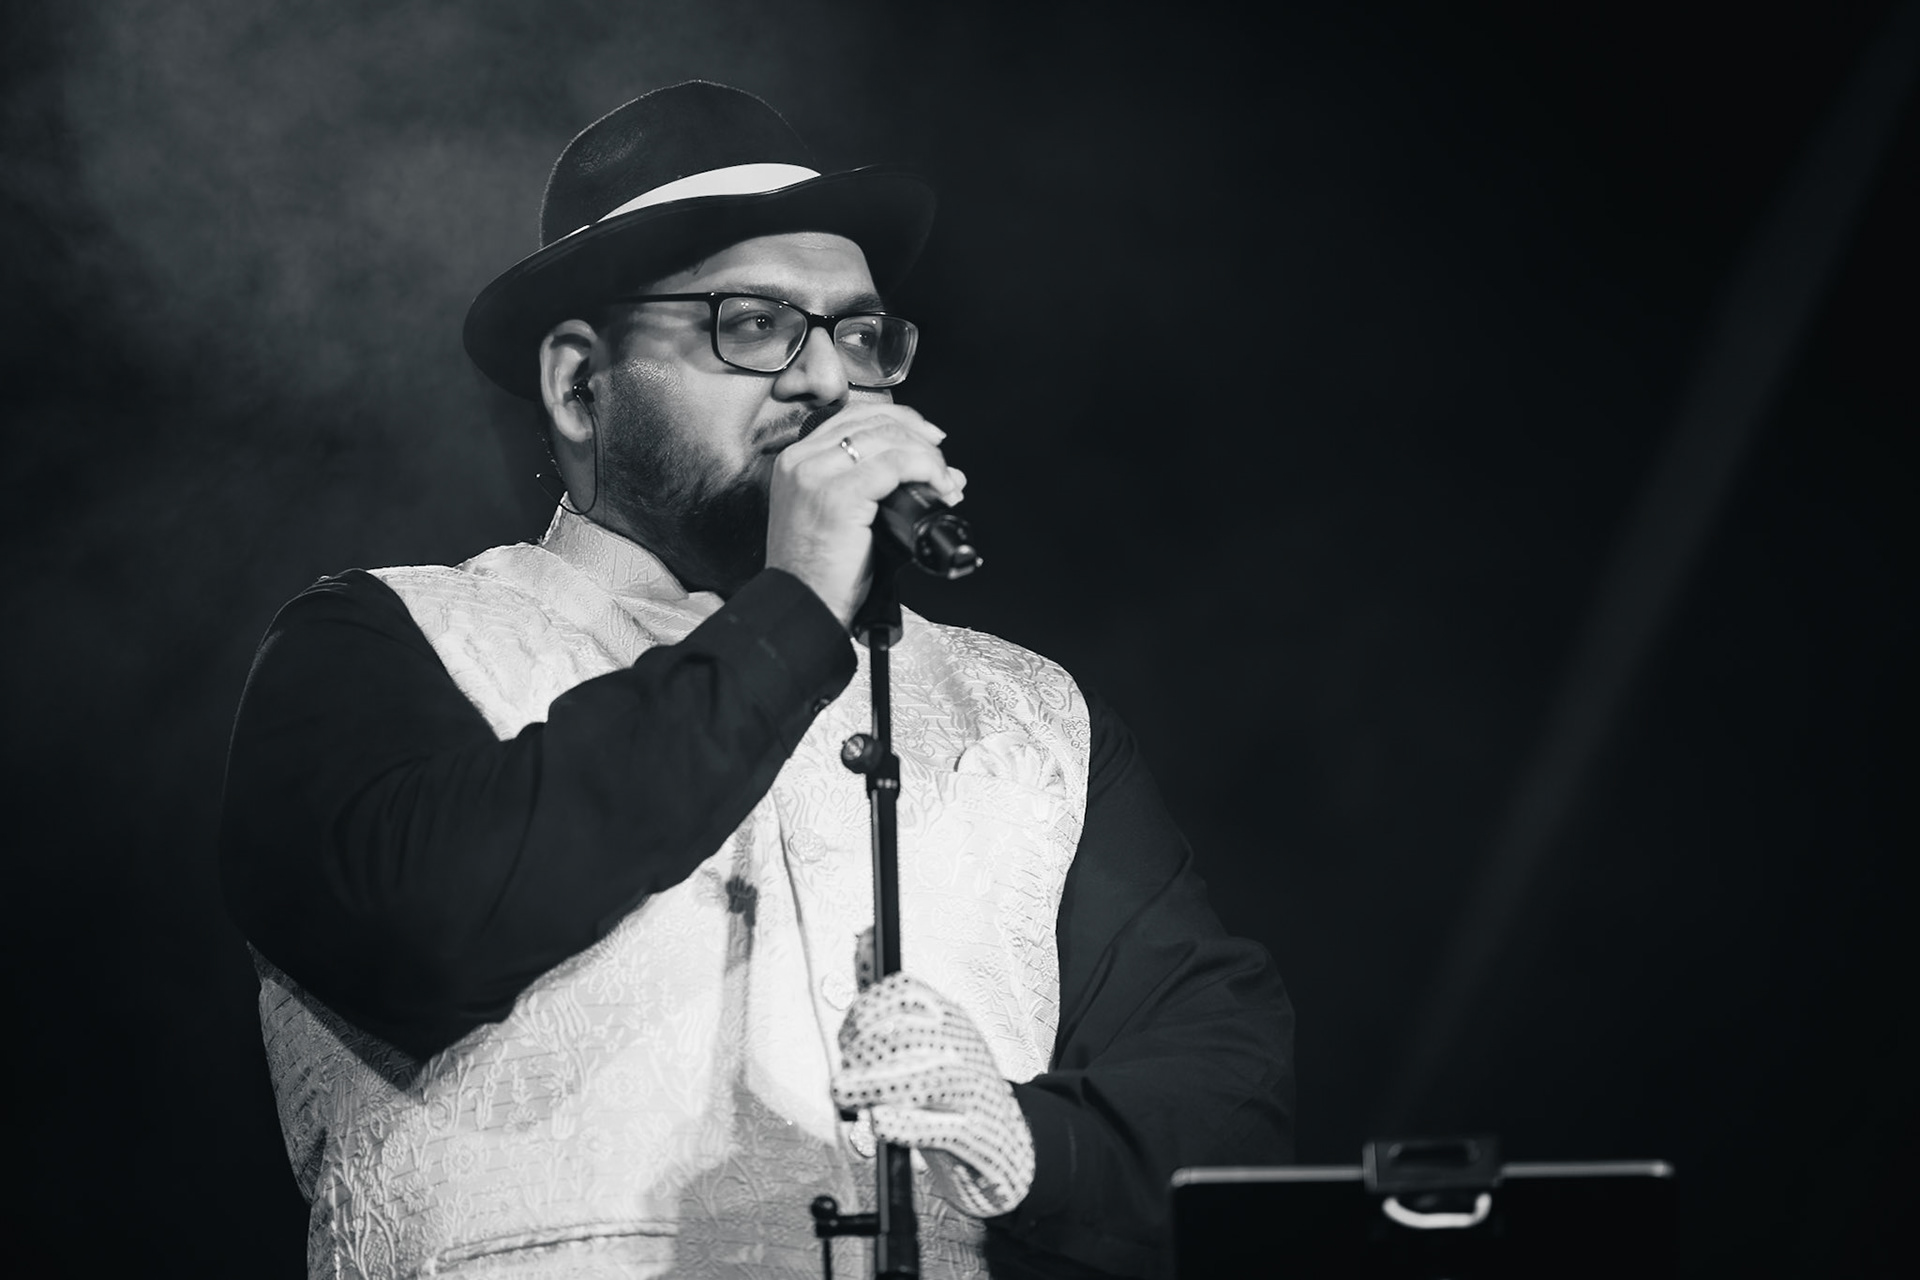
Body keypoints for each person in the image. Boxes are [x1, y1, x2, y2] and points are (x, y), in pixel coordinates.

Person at [220, 81, 1293, 1280]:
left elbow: (1229, 1101)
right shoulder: (383, 638)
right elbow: (419, 921)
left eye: (861, 335)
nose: (829, 382)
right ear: (579, 384)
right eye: (754, 324)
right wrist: (793, 609)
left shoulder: (1029, 717)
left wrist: (1026, 1141)